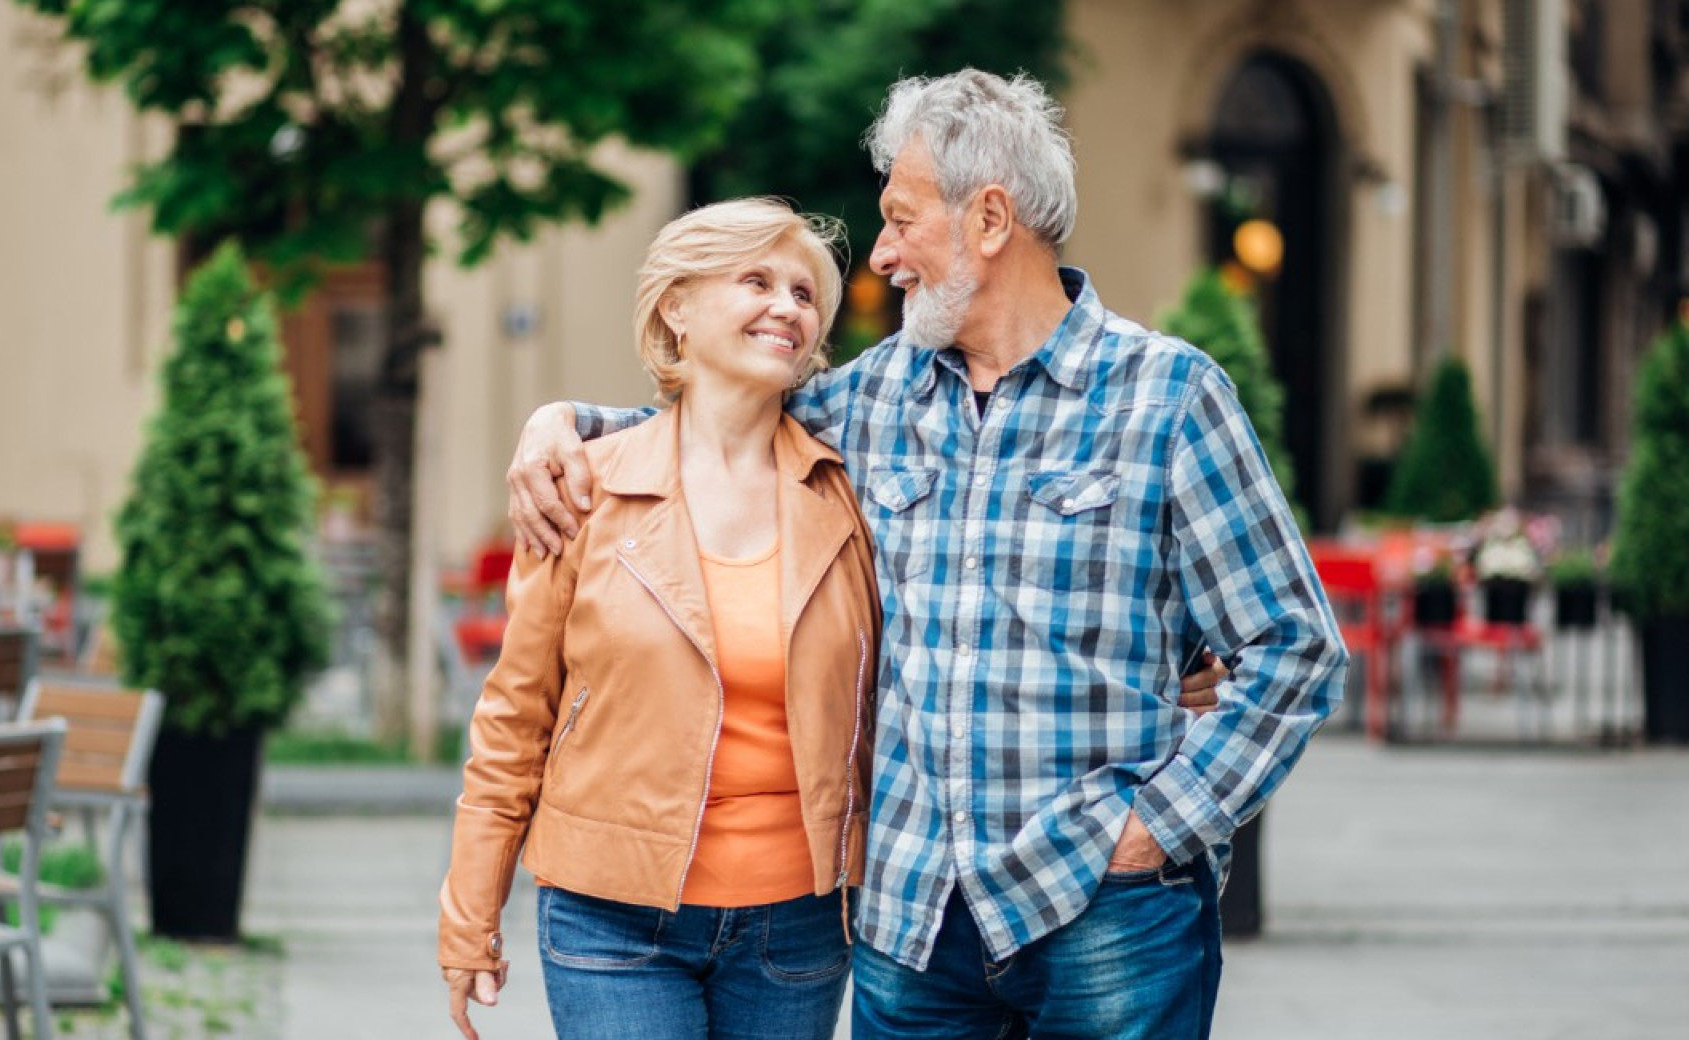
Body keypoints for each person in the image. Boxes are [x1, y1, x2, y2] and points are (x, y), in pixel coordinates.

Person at [505, 69, 1346, 1040]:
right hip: (913, 924)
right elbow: (712, 430)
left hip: (1106, 916)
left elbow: (1295, 647)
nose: (887, 255)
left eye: (901, 221)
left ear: (990, 219)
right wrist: (561, 424)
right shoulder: (870, 399)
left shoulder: (1167, 396)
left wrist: (1158, 826)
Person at [437, 198, 880, 1040]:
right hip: (613, 916)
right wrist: (469, 914)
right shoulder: (581, 489)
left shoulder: (847, 495)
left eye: (802, 292)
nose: (788, 306)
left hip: (799, 921)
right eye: (756, 280)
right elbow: (514, 718)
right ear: (676, 307)